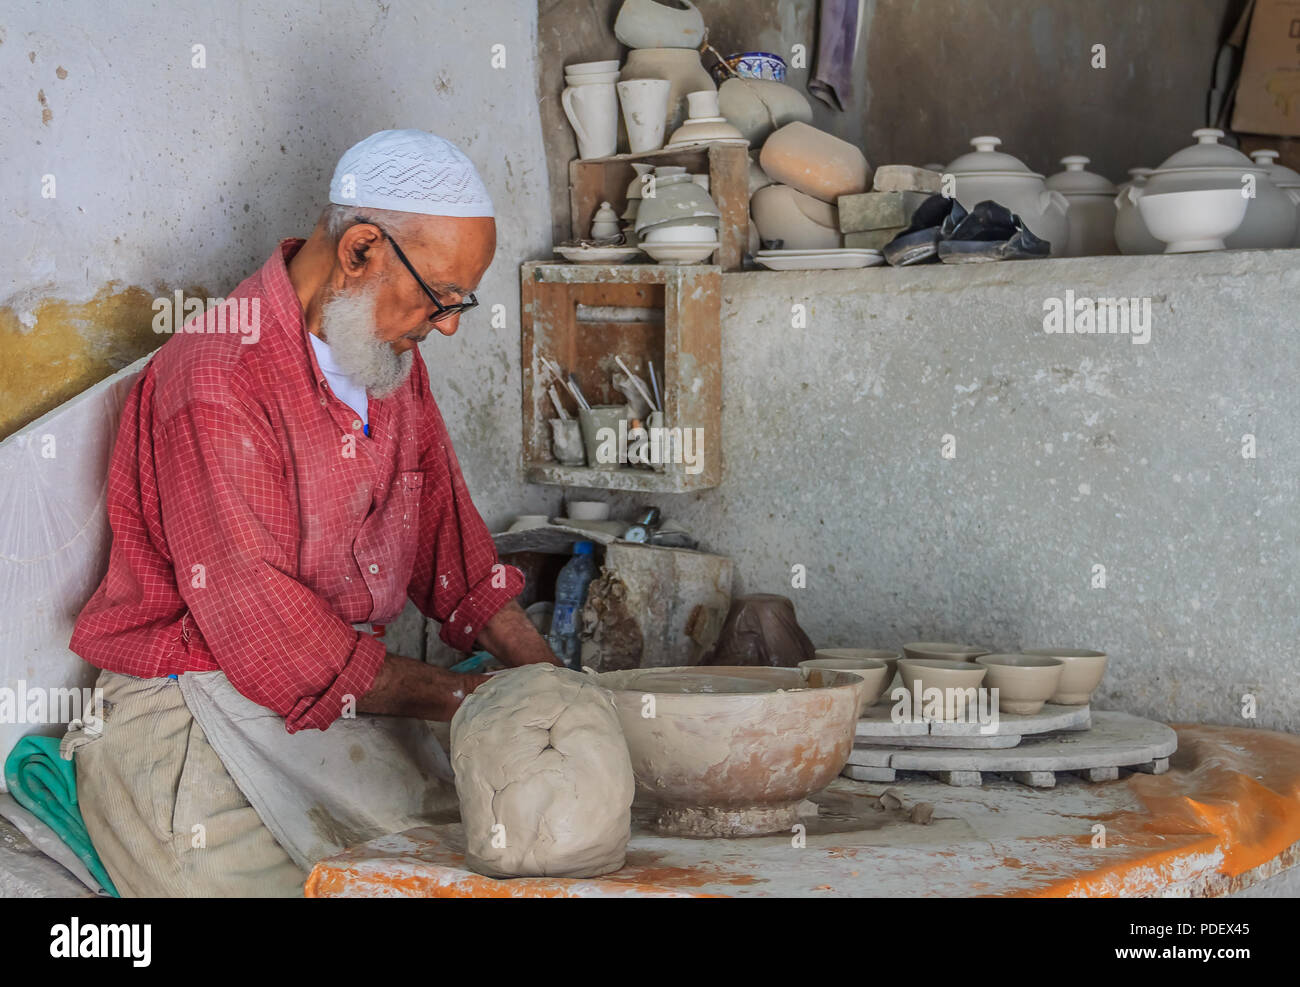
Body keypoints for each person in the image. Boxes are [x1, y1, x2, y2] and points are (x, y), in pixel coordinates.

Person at [65, 130, 559, 896]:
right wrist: (472, 698)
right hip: (192, 720)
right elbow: (271, 638)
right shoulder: (218, 375)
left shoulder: (389, 355)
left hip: (335, 702)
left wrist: (549, 678)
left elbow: (447, 542)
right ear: (361, 249)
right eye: (441, 298)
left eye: (464, 301)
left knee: (486, 860)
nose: (452, 324)